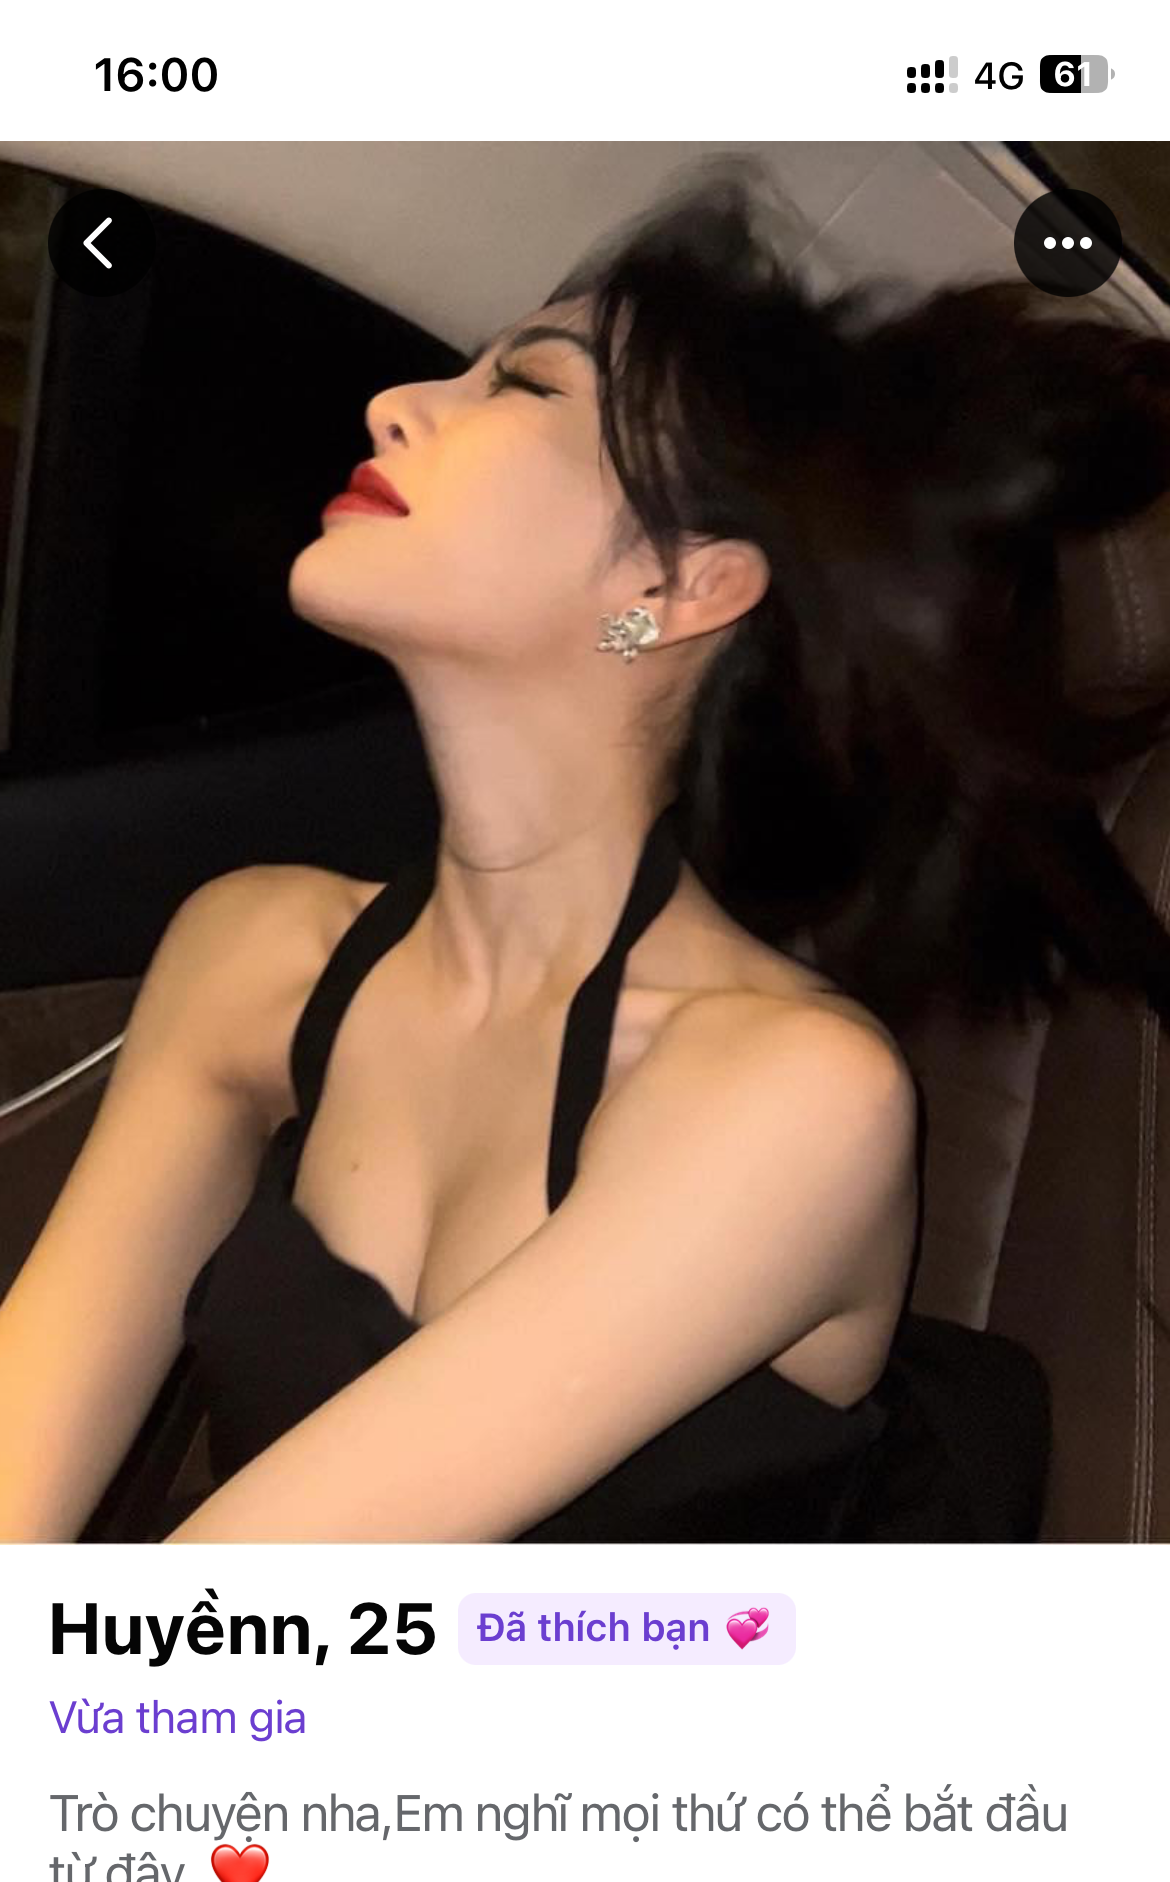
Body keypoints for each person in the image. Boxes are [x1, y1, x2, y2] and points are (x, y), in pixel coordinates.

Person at [1, 153, 1168, 1543]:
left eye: (525, 386)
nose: (395, 402)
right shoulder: (253, 951)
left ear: (675, 586)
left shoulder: (791, 1096)